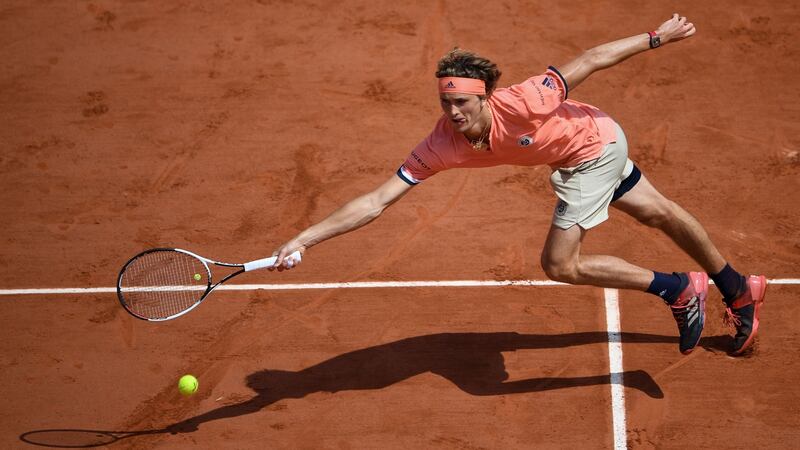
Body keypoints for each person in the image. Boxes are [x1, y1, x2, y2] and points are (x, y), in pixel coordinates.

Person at [269, 14, 766, 356]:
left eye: (462, 103)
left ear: (485, 97)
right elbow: (377, 200)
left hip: (592, 150)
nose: (453, 113)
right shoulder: (441, 144)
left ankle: (677, 289)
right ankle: (737, 287)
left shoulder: (525, 100)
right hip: (587, 144)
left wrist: (657, 37)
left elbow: (590, 58)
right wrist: (304, 238)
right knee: (660, 213)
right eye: (446, 103)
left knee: (559, 264)